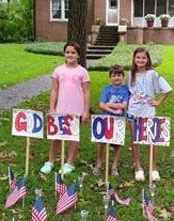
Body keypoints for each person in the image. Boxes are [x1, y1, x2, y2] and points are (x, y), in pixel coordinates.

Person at [40, 42, 90, 175]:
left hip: (76, 110)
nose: (70, 55)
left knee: (73, 137)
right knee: (55, 137)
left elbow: (86, 92)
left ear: (78, 55)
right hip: (60, 109)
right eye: (67, 52)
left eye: (73, 52)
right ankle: (50, 161)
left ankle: (69, 163)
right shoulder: (58, 70)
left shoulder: (82, 72)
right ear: (64, 54)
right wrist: (52, 108)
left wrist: (86, 111)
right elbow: (54, 90)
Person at [127, 47, 172, 182]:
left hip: (148, 112)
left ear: (147, 60)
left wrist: (158, 102)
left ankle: (153, 167)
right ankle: (138, 167)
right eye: (138, 57)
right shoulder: (130, 74)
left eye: (143, 58)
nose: (140, 60)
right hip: (133, 112)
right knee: (135, 140)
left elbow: (167, 90)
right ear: (134, 59)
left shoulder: (153, 74)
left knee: (151, 140)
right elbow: (129, 92)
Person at [92, 64, 130, 177]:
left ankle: (114, 166)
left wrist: (110, 104)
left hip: (119, 121)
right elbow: (101, 104)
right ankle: (99, 164)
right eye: (114, 75)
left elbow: (124, 105)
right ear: (110, 77)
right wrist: (113, 110)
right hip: (106, 119)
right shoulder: (107, 89)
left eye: (119, 75)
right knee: (101, 142)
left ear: (122, 76)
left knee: (117, 144)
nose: (116, 78)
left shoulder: (125, 90)